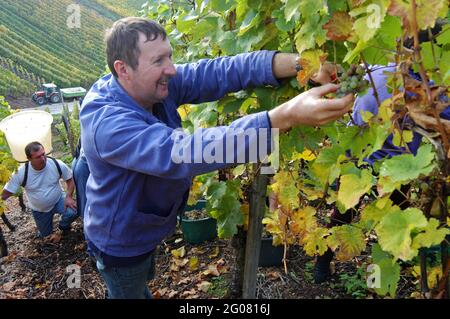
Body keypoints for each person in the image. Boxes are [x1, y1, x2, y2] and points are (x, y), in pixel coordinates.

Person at [79, 17, 354, 299]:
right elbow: (184, 152)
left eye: (170, 56)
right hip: (120, 244)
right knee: (129, 290)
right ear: (123, 69)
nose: (171, 69)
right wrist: (281, 117)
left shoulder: (145, 84)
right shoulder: (108, 124)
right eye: (159, 61)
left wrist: (303, 64)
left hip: (144, 230)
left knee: (140, 284)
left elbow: (220, 72)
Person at [313, 25, 450, 284]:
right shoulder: (424, 90)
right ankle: (386, 271)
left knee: (343, 215)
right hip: (395, 171)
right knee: (398, 217)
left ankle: (322, 268)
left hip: (357, 162)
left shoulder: (370, 72)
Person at [1, 142, 78, 237]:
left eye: (43, 154)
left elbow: (70, 179)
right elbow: (6, 193)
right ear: (29, 159)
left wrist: (69, 196)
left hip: (58, 200)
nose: (43, 158)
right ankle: (43, 231)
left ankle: (63, 226)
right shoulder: (21, 173)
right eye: (38, 157)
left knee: (74, 211)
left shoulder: (55, 163)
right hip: (39, 210)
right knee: (46, 235)